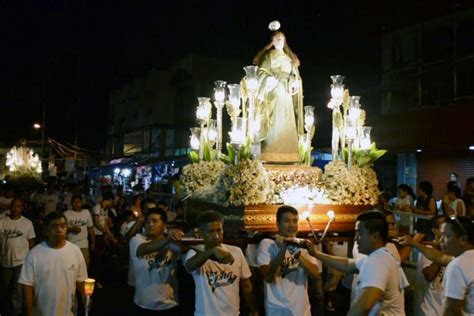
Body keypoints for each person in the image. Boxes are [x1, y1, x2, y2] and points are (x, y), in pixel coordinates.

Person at [308, 210, 408, 315]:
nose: (355, 238)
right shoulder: (379, 256)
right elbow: (347, 264)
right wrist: (316, 254)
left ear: (375, 236)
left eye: (359, 233)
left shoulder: (378, 261)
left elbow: (364, 306)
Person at [184, 210, 258, 316]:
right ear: (201, 233)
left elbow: (246, 285)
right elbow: (190, 265)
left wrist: (254, 310)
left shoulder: (236, 251)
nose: (216, 236)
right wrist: (212, 251)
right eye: (211, 231)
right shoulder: (196, 253)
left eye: (219, 230)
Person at [400, 216, 474, 314]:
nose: (441, 240)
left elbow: (452, 310)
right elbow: (440, 258)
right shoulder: (467, 258)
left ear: (463, 239)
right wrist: (414, 243)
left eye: (446, 236)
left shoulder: (457, 266)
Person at [18, 212, 88, 316]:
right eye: (54, 226)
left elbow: (81, 280)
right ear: (46, 230)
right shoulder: (34, 254)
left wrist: (86, 298)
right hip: (41, 312)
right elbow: (27, 286)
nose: (60, 230)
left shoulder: (75, 251)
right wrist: (28, 312)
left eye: (63, 226)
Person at [257, 205, 321, 316]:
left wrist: (295, 252)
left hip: (302, 309)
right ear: (278, 224)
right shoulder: (267, 244)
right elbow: (268, 277)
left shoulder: (304, 244)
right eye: (286, 221)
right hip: (277, 310)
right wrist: (282, 250)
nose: (291, 225)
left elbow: (315, 274)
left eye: (295, 221)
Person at [251, 30, 304, 163]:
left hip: (286, 93)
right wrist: (269, 80)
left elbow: (294, 75)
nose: (279, 40)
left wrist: (293, 83)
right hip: (273, 91)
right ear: (272, 41)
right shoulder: (269, 56)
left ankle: (289, 154)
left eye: (282, 38)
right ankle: (269, 152)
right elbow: (262, 72)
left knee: (286, 122)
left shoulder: (290, 58)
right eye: (277, 38)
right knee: (274, 121)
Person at [130, 207, 183, 315]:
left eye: (155, 221)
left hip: (169, 303)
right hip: (144, 303)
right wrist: (168, 238)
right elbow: (143, 249)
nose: (150, 224)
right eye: (147, 221)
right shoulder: (137, 240)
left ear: (164, 225)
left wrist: (181, 236)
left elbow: (185, 249)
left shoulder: (171, 242)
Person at [0, 197, 35, 316]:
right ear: (10, 207)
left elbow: (31, 242)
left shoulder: (27, 223)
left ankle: (16, 312)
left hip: (21, 261)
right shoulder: (2, 222)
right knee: (4, 287)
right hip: (5, 261)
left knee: (18, 289)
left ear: (22, 208)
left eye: (19, 206)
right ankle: (6, 310)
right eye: (14, 206)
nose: (16, 209)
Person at [413, 215, 446, 316]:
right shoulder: (427, 249)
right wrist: (440, 255)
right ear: (435, 231)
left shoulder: (449, 249)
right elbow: (428, 275)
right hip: (428, 310)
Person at [91, 191, 117, 288]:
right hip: (96, 236)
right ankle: (95, 280)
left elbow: (105, 225)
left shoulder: (104, 210)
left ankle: (99, 279)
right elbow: (96, 223)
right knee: (97, 259)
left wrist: (112, 237)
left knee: (100, 259)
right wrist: (106, 233)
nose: (112, 204)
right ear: (109, 200)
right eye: (112, 201)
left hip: (101, 236)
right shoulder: (97, 207)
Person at [64, 194, 96, 268]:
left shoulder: (86, 213)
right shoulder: (66, 214)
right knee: (71, 266)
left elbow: (90, 228)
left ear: (81, 203)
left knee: (85, 265)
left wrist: (93, 242)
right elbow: (63, 229)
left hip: (83, 243)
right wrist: (71, 229)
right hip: (71, 244)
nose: (76, 204)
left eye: (78, 202)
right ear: (71, 203)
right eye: (74, 202)